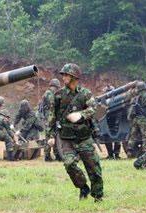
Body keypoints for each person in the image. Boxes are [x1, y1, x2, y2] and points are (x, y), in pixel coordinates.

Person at [55, 63, 103, 202]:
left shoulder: (85, 94)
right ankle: (83, 187)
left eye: (66, 74)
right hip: (67, 138)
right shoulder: (58, 95)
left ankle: (98, 196)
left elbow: (94, 108)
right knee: (69, 164)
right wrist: (50, 137)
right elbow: (52, 116)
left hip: (84, 137)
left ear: (74, 77)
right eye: (63, 74)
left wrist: (81, 115)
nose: (63, 77)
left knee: (93, 168)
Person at [39, 78, 63, 161]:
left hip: (50, 118)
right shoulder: (49, 94)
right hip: (50, 118)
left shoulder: (48, 93)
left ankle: (57, 155)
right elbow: (52, 107)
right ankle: (47, 156)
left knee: (54, 136)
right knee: (49, 137)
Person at [102, 85, 122, 159]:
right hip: (107, 121)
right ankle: (111, 155)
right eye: (107, 91)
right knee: (108, 139)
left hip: (115, 120)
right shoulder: (103, 101)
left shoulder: (117, 99)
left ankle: (116, 154)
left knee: (118, 139)